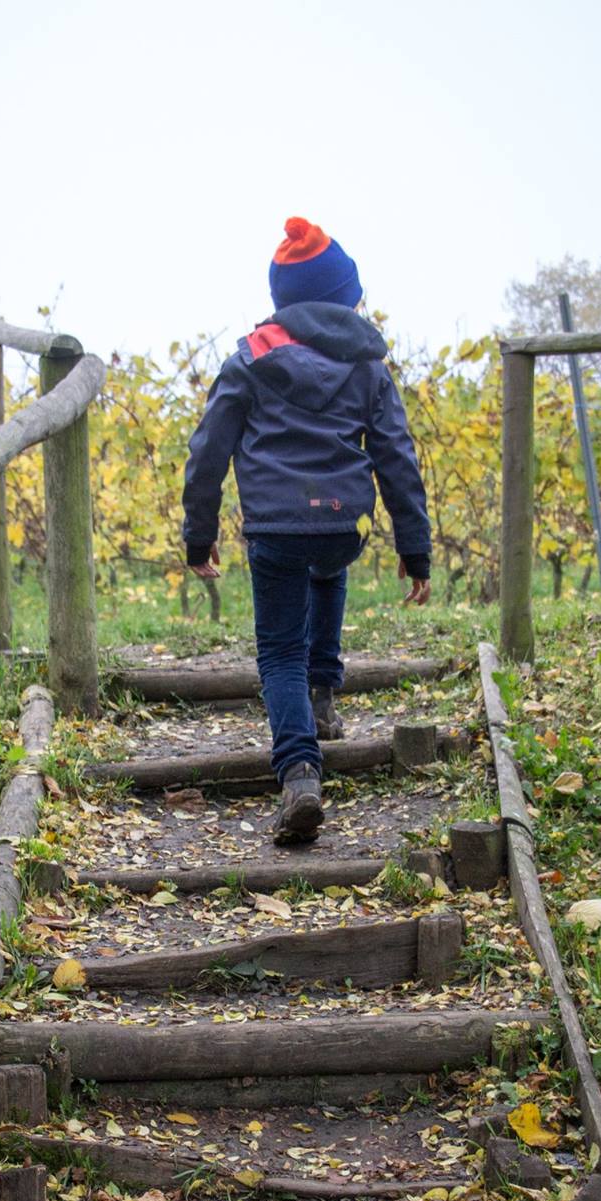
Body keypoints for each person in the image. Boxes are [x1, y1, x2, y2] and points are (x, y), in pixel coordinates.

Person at [182, 216, 433, 844]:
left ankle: (298, 773)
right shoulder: (368, 365)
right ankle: (323, 693)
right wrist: (415, 546)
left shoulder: (249, 359)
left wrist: (199, 533)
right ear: (347, 296)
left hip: (274, 525)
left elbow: (209, 451)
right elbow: (397, 457)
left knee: (279, 652)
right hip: (343, 521)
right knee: (327, 567)